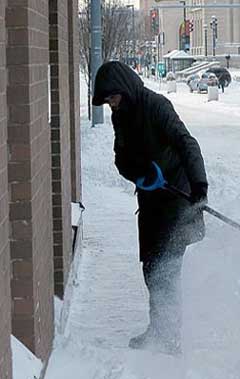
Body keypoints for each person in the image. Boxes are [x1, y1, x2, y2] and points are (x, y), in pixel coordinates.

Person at [92, 61, 208, 354]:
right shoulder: (122, 116)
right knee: (151, 269)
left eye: (112, 97)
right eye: (107, 101)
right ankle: (160, 329)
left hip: (178, 199)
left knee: (165, 270)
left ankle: (170, 339)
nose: (111, 104)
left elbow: (187, 144)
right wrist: (140, 173)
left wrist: (199, 187)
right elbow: (121, 159)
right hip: (151, 200)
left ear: (123, 88)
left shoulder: (157, 106)